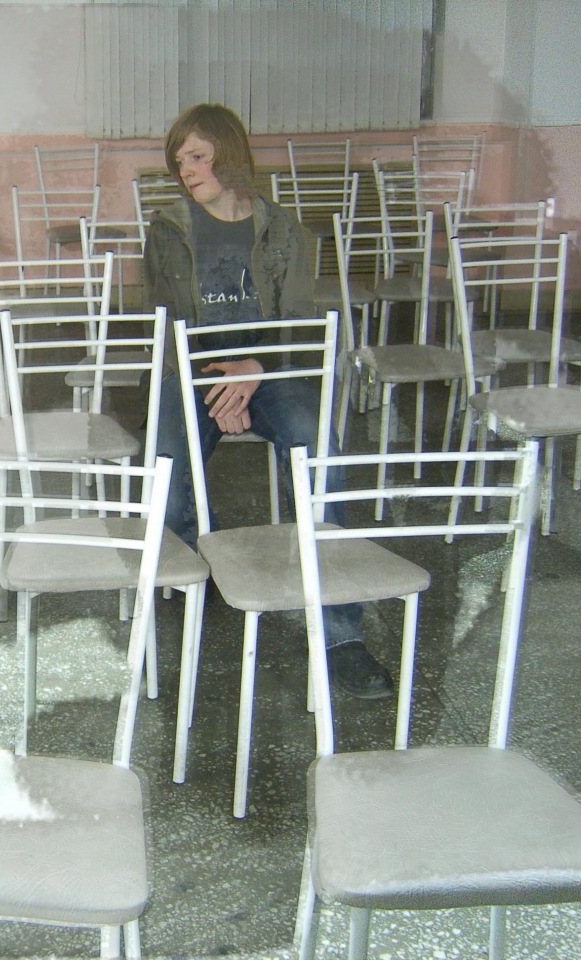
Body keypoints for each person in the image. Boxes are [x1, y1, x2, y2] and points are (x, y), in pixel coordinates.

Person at [143, 103, 393, 700]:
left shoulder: (283, 229)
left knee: (317, 448)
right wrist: (218, 388)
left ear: (230, 154)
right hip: (197, 370)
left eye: (197, 156)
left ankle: (340, 635)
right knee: (166, 472)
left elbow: (302, 328)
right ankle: (204, 570)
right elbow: (162, 326)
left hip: (274, 370)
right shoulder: (168, 229)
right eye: (179, 160)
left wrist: (255, 370)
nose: (186, 169)